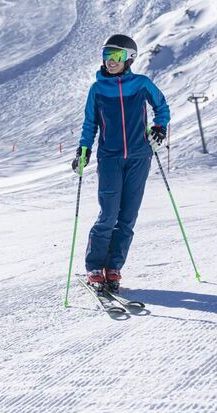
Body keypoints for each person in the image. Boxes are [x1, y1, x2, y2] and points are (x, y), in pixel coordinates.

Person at [72, 34, 169, 294]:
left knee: (127, 217)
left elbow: (162, 106)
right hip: (110, 158)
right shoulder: (97, 89)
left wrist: (160, 127)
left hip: (140, 157)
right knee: (108, 215)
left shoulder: (141, 84)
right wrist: (83, 151)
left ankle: (114, 267)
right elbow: (90, 124)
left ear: (129, 58)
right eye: (106, 55)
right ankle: (94, 267)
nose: (109, 61)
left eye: (115, 56)